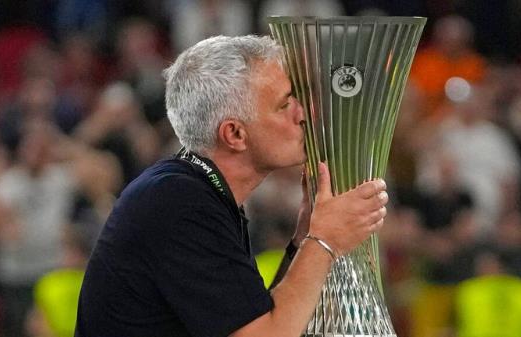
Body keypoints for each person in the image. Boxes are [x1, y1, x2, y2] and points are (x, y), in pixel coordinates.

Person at [74, 35, 389, 337]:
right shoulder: (178, 204)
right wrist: (324, 240)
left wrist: (305, 238)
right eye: (284, 105)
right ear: (235, 134)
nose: (303, 113)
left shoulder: (191, 191)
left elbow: (257, 319)